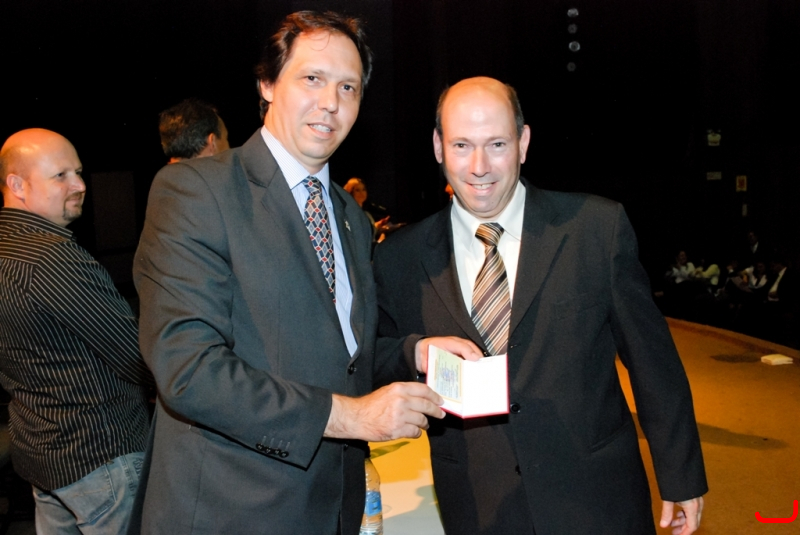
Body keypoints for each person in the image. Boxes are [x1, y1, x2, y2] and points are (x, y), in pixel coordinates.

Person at [133, 11, 479, 534]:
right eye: (312, 78)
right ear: (268, 85)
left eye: (348, 87)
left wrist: (413, 353)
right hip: (232, 511)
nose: (331, 102)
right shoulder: (197, 192)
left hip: (332, 507)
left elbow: (342, 358)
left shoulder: (350, 218)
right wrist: (353, 417)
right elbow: (189, 371)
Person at [373, 77, 707, 534]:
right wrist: (413, 351)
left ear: (524, 142)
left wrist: (680, 474)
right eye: (462, 145)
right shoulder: (399, 258)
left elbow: (653, 362)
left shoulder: (596, 228)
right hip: (477, 502)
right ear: (438, 147)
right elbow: (369, 359)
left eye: (496, 144)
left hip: (596, 497)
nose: (479, 167)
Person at [0, 128, 153, 533]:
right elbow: (136, 356)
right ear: (17, 185)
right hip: (100, 455)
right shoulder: (51, 257)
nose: (80, 185)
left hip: (40, 454)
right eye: (61, 175)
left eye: (79, 172)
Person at [158, 97, 230, 163]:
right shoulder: (222, 172)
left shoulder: (165, 173)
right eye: (226, 138)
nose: (229, 149)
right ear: (212, 143)